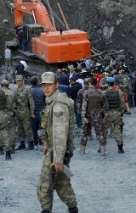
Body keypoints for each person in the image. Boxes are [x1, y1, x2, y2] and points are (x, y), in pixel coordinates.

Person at [37, 71, 78, 213]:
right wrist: (47, 144)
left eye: (49, 84)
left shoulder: (58, 105)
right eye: (44, 85)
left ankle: (46, 210)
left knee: (44, 187)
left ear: (57, 84)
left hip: (57, 152)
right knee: (61, 183)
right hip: (55, 149)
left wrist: (58, 159)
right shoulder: (53, 101)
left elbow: (60, 133)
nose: (46, 88)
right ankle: (73, 208)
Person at [79, 77, 108, 155]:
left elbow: (84, 105)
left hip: (88, 115)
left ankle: (82, 150)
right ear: (96, 83)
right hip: (98, 115)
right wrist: (103, 114)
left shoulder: (86, 93)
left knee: (85, 133)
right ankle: (103, 151)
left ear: (90, 84)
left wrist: (83, 116)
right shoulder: (101, 93)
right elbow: (106, 106)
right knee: (100, 133)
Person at [101, 78, 125, 153]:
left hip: (107, 114)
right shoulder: (119, 92)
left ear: (107, 84)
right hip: (116, 114)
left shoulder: (104, 93)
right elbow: (122, 104)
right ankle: (120, 148)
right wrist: (120, 111)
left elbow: (101, 105)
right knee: (117, 130)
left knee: (104, 130)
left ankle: (102, 148)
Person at [14, 75, 36, 150]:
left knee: (27, 128)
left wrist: (32, 112)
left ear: (22, 81)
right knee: (20, 128)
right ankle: (22, 143)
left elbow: (31, 101)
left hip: (25, 110)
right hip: (18, 111)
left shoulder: (27, 89)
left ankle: (31, 143)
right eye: (17, 81)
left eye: (20, 80)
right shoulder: (16, 90)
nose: (18, 82)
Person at [30, 76, 46, 146]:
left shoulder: (29, 90)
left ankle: (35, 141)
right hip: (41, 111)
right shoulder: (42, 90)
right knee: (42, 127)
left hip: (32, 112)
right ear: (37, 82)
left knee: (33, 128)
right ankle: (41, 141)